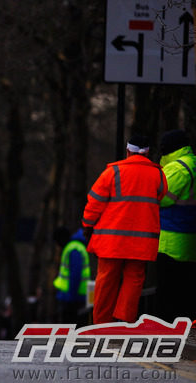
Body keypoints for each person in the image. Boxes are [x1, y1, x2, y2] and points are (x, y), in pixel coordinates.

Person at [81, 135, 166, 325]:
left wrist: (87, 225)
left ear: (128, 151)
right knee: (134, 279)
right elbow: (161, 196)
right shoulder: (158, 175)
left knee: (106, 280)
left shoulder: (113, 173)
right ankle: (125, 321)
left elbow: (94, 203)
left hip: (112, 241)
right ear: (148, 153)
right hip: (142, 242)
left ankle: (101, 323)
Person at [155, 129, 196, 321]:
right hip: (189, 241)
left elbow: (159, 197)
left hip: (172, 243)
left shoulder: (177, 168)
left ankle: (168, 334)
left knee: (168, 292)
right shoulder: (192, 163)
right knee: (185, 292)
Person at [53, 227, 89, 324]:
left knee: (71, 330)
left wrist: (72, 296)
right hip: (77, 296)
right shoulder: (76, 247)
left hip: (73, 298)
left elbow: (75, 275)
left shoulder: (73, 248)